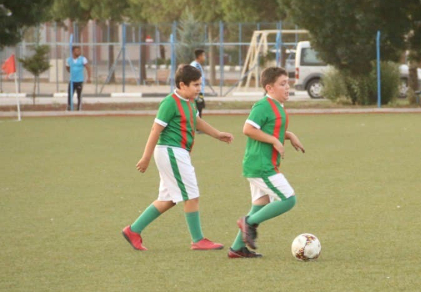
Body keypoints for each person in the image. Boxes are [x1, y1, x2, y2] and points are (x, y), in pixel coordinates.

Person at [122, 64, 233, 251]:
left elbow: (196, 121)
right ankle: (198, 240)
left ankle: (134, 230)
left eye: (200, 84)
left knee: (168, 199)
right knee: (192, 196)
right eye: (195, 85)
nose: (199, 88)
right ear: (182, 84)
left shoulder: (189, 102)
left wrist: (217, 134)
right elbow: (155, 130)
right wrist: (145, 157)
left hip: (177, 153)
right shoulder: (170, 103)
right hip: (171, 152)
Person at [230, 66, 305, 259]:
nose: (287, 87)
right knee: (288, 199)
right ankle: (249, 222)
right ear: (269, 88)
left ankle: (237, 248)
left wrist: (289, 136)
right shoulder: (263, 105)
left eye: (287, 83)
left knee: (260, 205)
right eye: (282, 84)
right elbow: (248, 129)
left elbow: (272, 130)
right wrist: (274, 141)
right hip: (261, 165)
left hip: (263, 164)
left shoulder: (278, 107)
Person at [66, 46, 91, 111]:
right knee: (70, 94)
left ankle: (79, 108)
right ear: (73, 52)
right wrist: (71, 72)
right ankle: (69, 106)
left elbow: (88, 68)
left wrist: (89, 78)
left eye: (79, 51)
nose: (79, 52)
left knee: (79, 95)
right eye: (77, 51)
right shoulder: (69, 60)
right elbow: (67, 67)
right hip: (72, 80)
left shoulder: (83, 59)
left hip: (79, 80)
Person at [189, 49, 207, 117]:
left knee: (200, 109)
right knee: (197, 112)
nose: (204, 57)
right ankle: (196, 127)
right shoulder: (195, 66)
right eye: (203, 55)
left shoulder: (198, 65)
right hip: (196, 93)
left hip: (200, 93)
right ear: (199, 56)